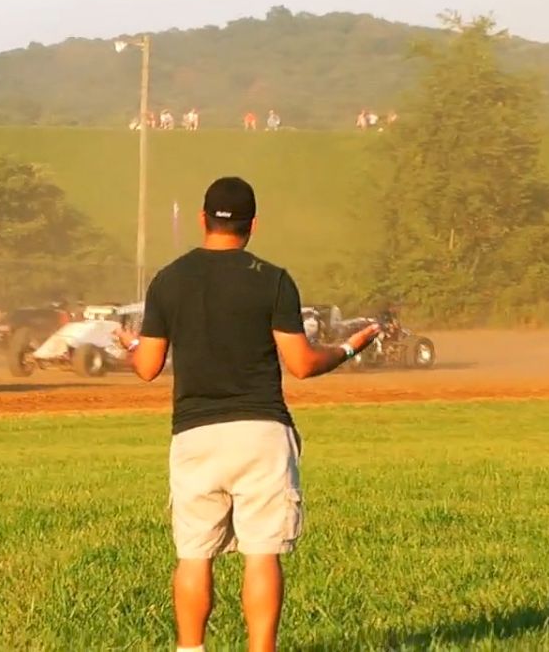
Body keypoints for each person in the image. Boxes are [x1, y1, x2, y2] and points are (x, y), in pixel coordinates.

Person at [116, 176, 380, 652]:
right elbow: (301, 364)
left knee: (193, 555)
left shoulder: (168, 279)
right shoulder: (273, 278)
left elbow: (149, 368)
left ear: (202, 219)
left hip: (195, 433)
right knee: (262, 555)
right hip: (262, 432)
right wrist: (347, 347)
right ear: (252, 225)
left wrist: (132, 345)